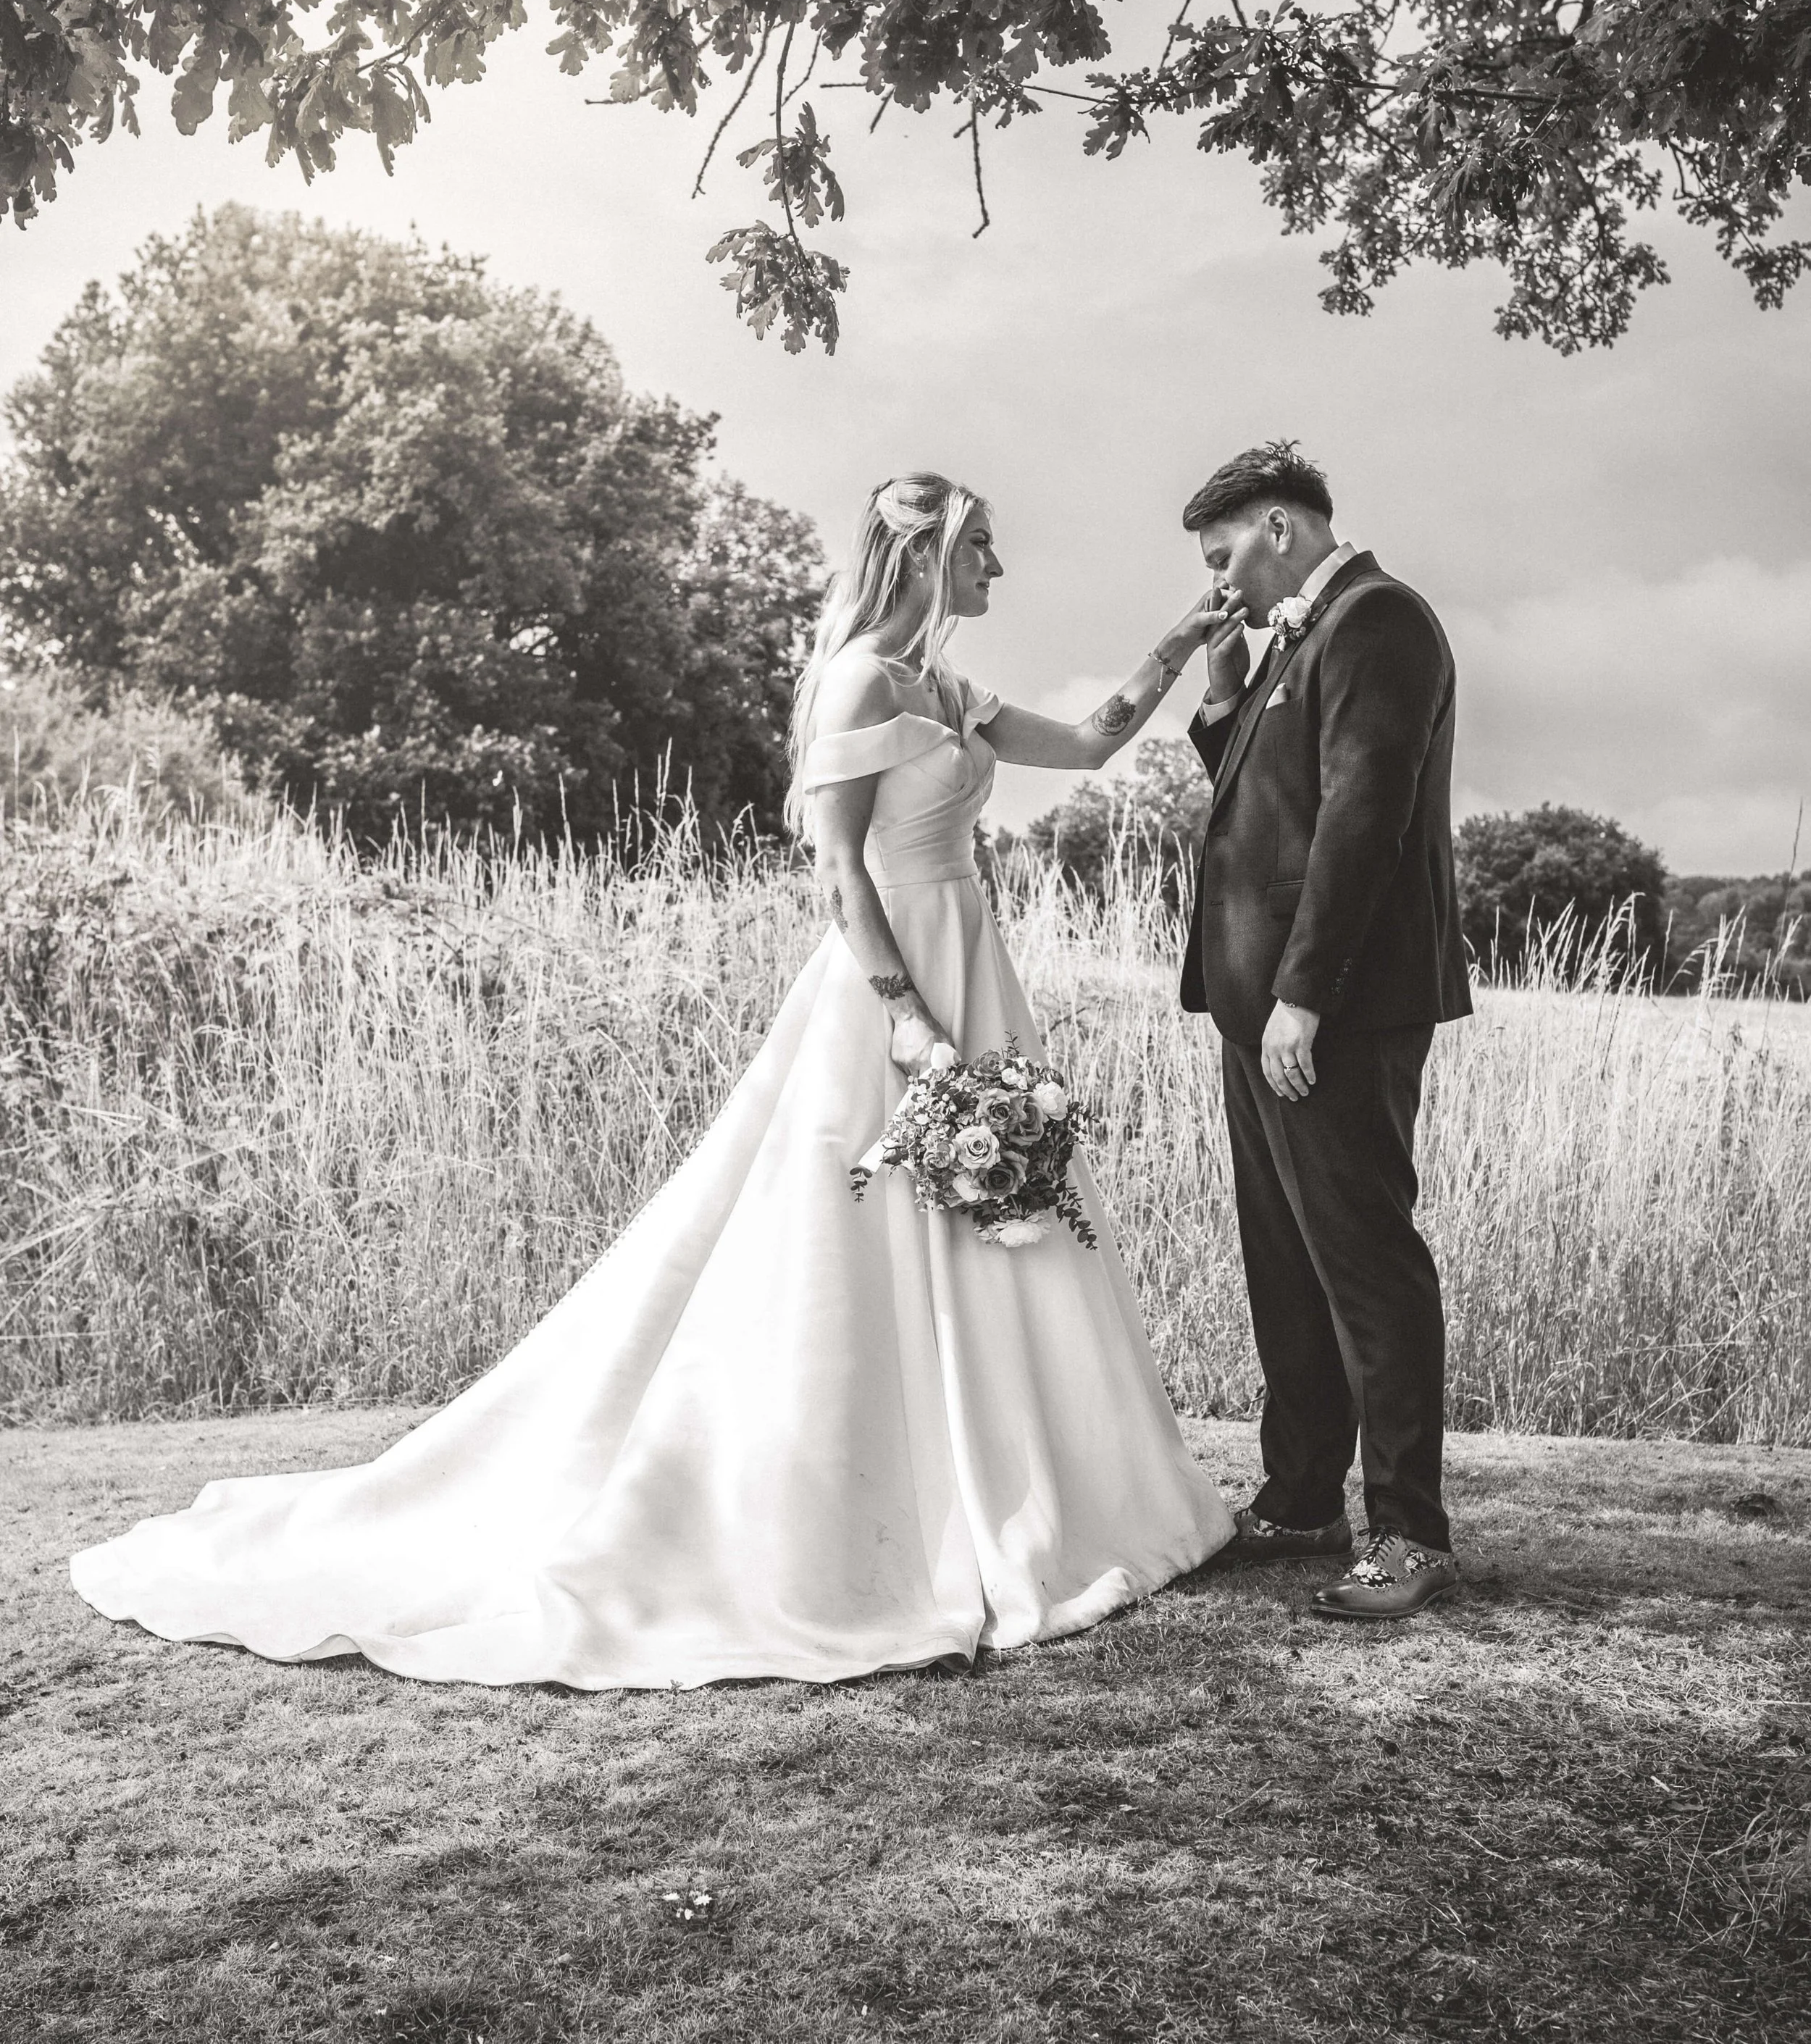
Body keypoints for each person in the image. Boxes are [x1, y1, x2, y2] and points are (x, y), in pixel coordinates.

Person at [72, 473, 1234, 1689]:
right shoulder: (859, 683)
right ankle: (846, 1506)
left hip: (976, 963)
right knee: (856, 1233)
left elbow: (1096, 743)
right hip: (891, 984)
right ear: (923, 556)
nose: (999, 568)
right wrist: (906, 1020)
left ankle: (1016, 1478)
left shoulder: (950, 688)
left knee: (995, 1215)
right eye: (982, 548)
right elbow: (840, 873)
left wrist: (1180, 642)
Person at [1179, 442, 1473, 1620]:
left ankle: (1410, 1532)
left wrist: (1306, 991)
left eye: (1224, 555)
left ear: (1280, 530)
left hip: (1334, 1010)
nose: (1221, 580)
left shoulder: (1380, 622)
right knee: (1287, 1264)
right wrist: (1219, 687)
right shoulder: (1299, 637)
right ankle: (1302, 1499)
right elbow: (1266, 787)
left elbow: (1364, 814)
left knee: (1363, 1259)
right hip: (1260, 1013)